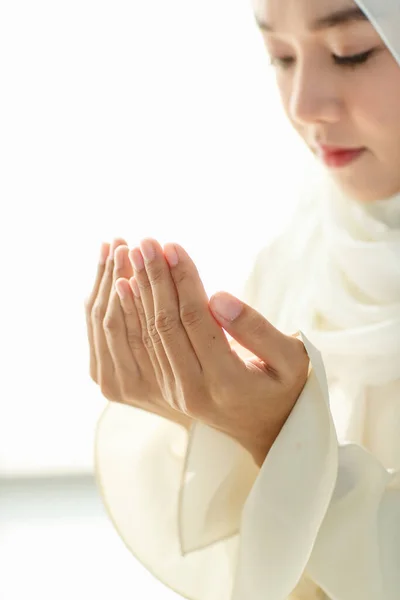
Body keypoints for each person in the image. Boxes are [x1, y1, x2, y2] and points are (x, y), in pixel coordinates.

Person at [85, 0, 400, 598]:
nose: (304, 105)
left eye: (352, 52)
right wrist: (209, 419)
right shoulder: (302, 252)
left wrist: (281, 441)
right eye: (279, 57)